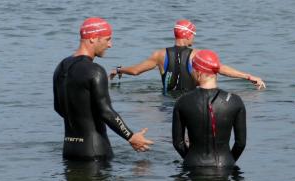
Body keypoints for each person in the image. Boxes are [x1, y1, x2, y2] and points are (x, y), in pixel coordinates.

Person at [53, 17, 153, 160]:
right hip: (95, 150)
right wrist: (131, 137)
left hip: (69, 151)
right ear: (93, 38)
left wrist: (81, 120)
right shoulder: (95, 70)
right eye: (107, 39)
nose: (110, 45)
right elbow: (106, 111)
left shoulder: (61, 67)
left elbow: (58, 107)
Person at [108, 19, 265, 94]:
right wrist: (248, 76)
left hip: (167, 102)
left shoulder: (159, 54)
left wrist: (119, 70)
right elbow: (220, 69)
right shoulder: (197, 55)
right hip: (192, 100)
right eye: (193, 35)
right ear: (188, 35)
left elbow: (136, 71)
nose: (194, 38)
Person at [172, 50, 246, 169]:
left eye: (192, 69)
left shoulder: (182, 101)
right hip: (225, 164)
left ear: (198, 72)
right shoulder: (235, 101)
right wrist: (229, 160)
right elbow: (240, 143)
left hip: (193, 164)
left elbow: (178, 143)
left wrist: (190, 158)